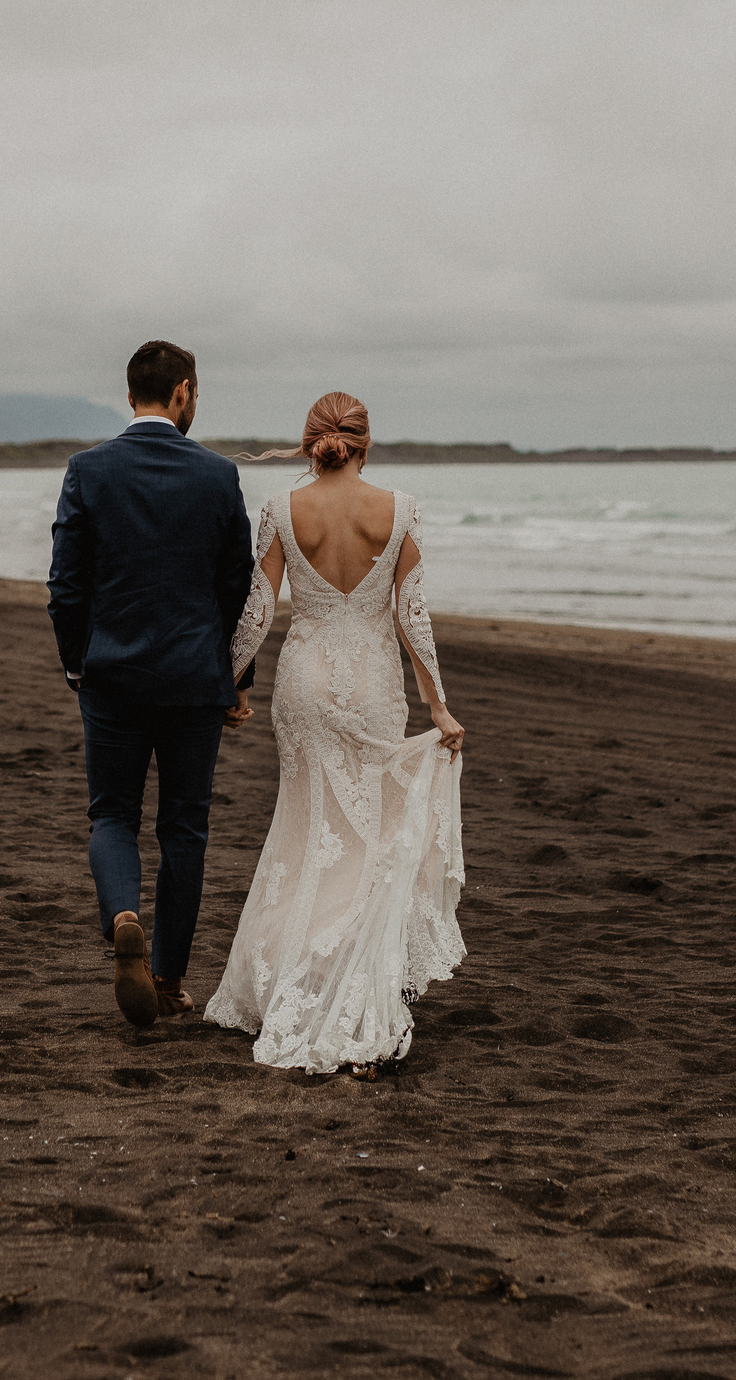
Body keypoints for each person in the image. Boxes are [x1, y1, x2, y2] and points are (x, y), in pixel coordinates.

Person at [204, 392, 467, 1076]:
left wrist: (228, 680)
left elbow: (257, 613)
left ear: (310, 442)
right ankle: (347, 973)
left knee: (306, 823)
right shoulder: (400, 510)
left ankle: (293, 970)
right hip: (373, 684)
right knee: (369, 829)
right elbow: (413, 619)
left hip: (306, 682)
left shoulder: (282, 511)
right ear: (366, 443)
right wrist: (437, 705)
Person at [46, 340, 256, 1027]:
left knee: (111, 814)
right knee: (185, 829)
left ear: (130, 390)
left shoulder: (88, 470)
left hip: (112, 673)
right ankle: (166, 979)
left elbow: (65, 585)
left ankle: (123, 913)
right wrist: (235, 676)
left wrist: (79, 660)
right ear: (184, 392)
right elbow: (238, 589)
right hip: (194, 679)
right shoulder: (218, 475)